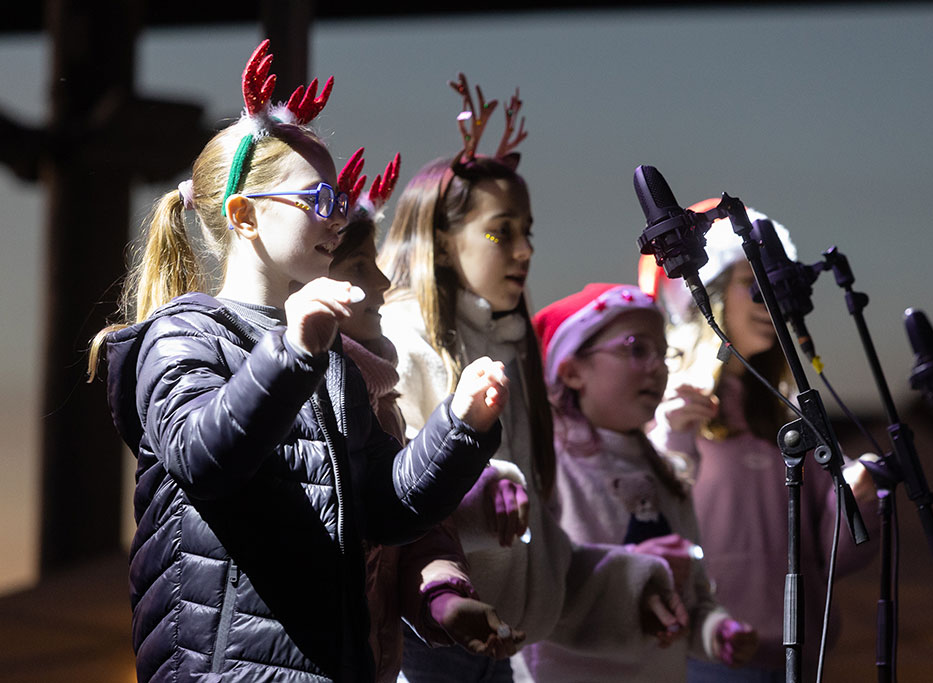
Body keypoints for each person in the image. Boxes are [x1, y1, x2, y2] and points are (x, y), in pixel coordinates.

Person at [87, 41, 511, 683]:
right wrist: (293, 351)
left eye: (340, 201)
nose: (338, 220)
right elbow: (205, 459)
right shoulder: (181, 335)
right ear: (244, 216)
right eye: (319, 200)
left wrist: (460, 428)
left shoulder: (332, 359)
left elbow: (383, 507)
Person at [378, 74, 687, 683]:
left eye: (528, 233)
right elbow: (391, 501)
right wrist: (479, 488)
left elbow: (537, 557)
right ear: (441, 241)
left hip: (495, 654)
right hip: (420, 651)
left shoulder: (511, 350)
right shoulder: (396, 342)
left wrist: (631, 591)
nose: (524, 251)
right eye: (501, 231)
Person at [640, 200, 879, 682]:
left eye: (772, 285)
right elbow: (644, 528)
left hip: (800, 656)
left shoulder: (794, 417)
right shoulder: (667, 407)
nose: (766, 301)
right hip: (704, 656)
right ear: (710, 295)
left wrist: (859, 499)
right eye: (751, 283)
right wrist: (671, 437)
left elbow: (835, 556)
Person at [327, 149, 523, 682]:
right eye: (498, 232)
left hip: (433, 637)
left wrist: (443, 593)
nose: (382, 282)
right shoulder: (391, 355)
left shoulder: (380, 390)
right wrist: (483, 479)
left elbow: (408, 526)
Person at [525, 282, 759, 681]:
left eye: (663, 352)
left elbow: (692, 594)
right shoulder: (548, 465)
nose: (658, 366)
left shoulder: (662, 472)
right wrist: (634, 572)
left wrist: (715, 630)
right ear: (572, 370)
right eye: (636, 348)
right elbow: (538, 595)